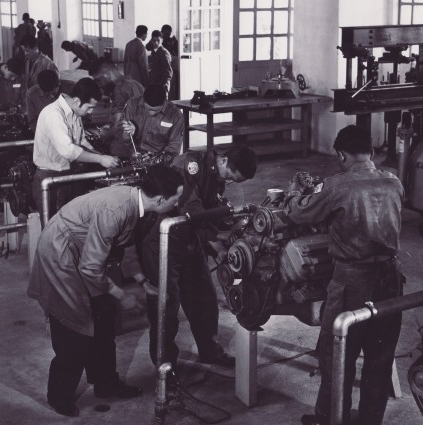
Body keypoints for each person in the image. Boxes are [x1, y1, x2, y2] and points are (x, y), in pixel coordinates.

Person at [27, 164, 184, 417]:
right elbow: (90, 268)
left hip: (83, 255)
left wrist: (143, 283)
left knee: (103, 318)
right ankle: (59, 395)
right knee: (75, 328)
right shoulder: (118, 209)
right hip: (61, 255)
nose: (177, 205)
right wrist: (122, 296)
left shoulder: (135, 203)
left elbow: (128, 246)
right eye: (176, 199)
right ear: (161, 199)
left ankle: (105, 382)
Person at [286, 125, 405, 425]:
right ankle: (369, 421)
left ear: (341, 155)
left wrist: (292, 195)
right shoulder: (394, 182)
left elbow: (299, 214)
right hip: (391, 281)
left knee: (337, 357)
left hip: (352, 283)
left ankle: (328, 419)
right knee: (379, 360)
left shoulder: (337, 186)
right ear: (372, 151)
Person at [139, 146, 257, 381]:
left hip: (190, 240)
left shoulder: (216, 174)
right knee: (166, 307)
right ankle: (165, 369)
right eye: (231, 177)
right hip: (164, 240)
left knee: (204, 298)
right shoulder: (190, 163)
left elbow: (211, 209)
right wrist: (216, 243)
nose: (231, 183)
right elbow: (190, 209)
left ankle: (210, 350)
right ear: (224, 160)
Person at [31, 78, 119, 218]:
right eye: (89, 107)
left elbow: (82, 143)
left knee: (71, 224)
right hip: (49, 178)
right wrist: (100, 159)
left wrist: (104, 157)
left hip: (68, 175)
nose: (90, 112)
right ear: (77, 101)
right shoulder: (53, 115)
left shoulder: (74, 112)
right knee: (53, 229)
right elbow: (68, 151)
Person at [117, 84, 183, 161]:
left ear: (164, 102)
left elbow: (173, 150)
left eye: (156, 110)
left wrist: (156, 158)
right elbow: (118, 134)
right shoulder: (132, 104)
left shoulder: (175, 115)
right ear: (143, 99)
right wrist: (127, 135)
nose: (151, 113)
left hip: (158, 159)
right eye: (148, 109)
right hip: (132, 153)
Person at [26, 69, 60, 134]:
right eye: (47, 94)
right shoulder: (32, 94)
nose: (51, 96)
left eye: (53, 92)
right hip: (45, 132)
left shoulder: (69, 88)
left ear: (59, 83)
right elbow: (32, 121)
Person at [161, 24, 179, 99]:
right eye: (165, 34)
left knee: (171, 90)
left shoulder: (173, 42)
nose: (167, 36)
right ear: (161, 32)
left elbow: (177, 53)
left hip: (171, 68)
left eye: (168, 34)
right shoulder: (159, 41)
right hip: (162, 69)